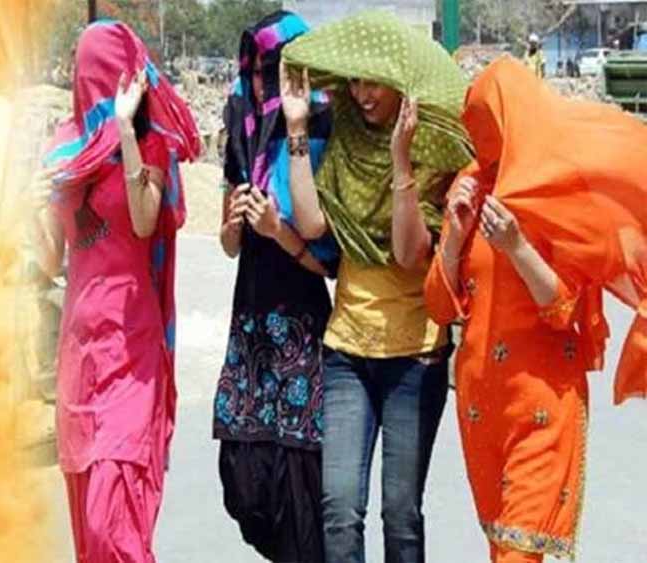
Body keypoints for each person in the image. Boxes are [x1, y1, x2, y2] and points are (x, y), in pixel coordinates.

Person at [424, 56, 647, 563]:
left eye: (489, 121)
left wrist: (517, 246)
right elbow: (438, 307)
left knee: (518, 554)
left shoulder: (556, 188)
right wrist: (454, 237)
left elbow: (565, 309)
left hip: (544, 402)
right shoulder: (470, 187)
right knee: (501, 548)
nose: (481, 137)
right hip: (482, 404)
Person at [281, 11, 474, 563]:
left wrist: (401, 161)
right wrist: (297, 128)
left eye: (374, 82)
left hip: (415, 358)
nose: (362, 94)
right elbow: (312, 224)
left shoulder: (433, 153)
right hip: (346, 351)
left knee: (401, 515)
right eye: (355, 81)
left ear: (400, 83)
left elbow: (412, 255)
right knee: (339, 512)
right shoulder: (342, 137)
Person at [31, 20, 201, 563]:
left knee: (113, 522)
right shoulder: (62, 145)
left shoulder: (152, 142)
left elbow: (145, 221)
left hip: (131, 349)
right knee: (89, 528)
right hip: (80, 353)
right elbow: (50, 260)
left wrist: (125, 131)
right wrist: (30, 204)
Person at [212, 11, 337, 562]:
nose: (264, 81)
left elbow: (328, 260)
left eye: (274, 68)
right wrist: (235, 225)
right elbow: (228, 244)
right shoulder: (240, 124)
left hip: (303, 325)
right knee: (245, 483)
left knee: (301, 489)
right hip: (250, 328)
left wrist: (276, 229)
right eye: (258, 67)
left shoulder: (322, 127)